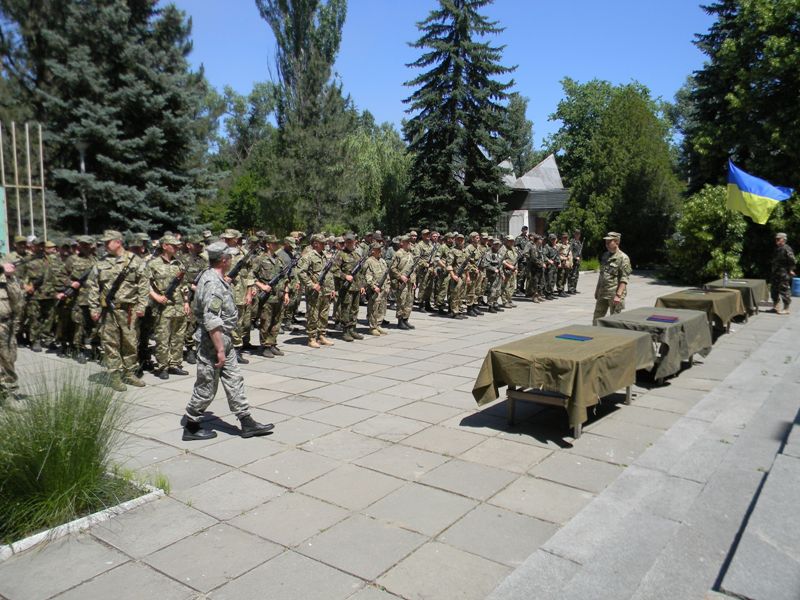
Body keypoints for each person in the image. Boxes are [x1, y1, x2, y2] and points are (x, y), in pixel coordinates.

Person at [182, 241, 274, 441]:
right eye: (230, 257)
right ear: (224, 260)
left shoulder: (217, 278)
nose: (232, 259)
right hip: (213, 342)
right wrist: (220, 350)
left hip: (224, 340)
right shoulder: (213, 283)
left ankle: (246, 421)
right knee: (207, 385)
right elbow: (211, 319)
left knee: (234, 380)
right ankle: (191, 424)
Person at [86, 230, 149, 391]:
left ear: (118, 242)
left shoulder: (135, 261)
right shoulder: (100, 264)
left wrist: (142, 306)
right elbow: (93, 287)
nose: (105, 245)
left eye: (108, 242)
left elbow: (143, 285)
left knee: (130, 343)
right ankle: (114, 375)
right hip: (108, 312)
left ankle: (129, 373)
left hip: (129, 310)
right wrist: (94, 308)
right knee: (110, 344)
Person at [147, 234, 190, 379]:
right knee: (163, 338)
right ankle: (162, 366)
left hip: (178, 306)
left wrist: (186, 302)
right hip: (163, 308)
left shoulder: (178, 264)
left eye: (178, 246)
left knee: (178, 337)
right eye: (174, 245)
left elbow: (183, 285)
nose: (177, 248)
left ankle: (175, 364)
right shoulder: (153, 264)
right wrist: (156, 297)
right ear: (165, 246)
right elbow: (145, 285)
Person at [297, 233, 336, 348]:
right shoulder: (308, 256)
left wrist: (332, 288)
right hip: (315, 291)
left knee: (324, 314)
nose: (325, 244)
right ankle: (311, 338)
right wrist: (311, 284)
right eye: (322, 243)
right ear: (315, 243)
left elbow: (329, 273)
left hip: (325, 290)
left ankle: (322, 335)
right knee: (313, 314)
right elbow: (300, 272)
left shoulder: (324, 256)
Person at [593, 231, 632, 324]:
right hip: (603, 292)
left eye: (609, 242)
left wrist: (618, 295)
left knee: (614, 321)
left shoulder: (623, 258)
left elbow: (624, 278)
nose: (606, 244)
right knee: (597, 318)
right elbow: (602, 274)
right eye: (606, 242)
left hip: (614, 294)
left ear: (617, 242)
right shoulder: (605, 255)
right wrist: (597, 290)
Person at [0, 259, 23, 402]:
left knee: (8, 358)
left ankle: (6, 394)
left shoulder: (5, 275)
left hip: (3, 324)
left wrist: (9, 277)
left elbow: (17, 301)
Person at [364, 241, 390, 335]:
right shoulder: (369, 261)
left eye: (380, 249)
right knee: (373, 308)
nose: (380, 250)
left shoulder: (382, 261)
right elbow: (367, 275)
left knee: (382, 308)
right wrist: (373, 286)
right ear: (372, 251)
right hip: (374, 289)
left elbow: (386, 274)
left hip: (383, 289)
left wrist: (388, 285)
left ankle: (378, 324)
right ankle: (372, 327)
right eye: (377, 249)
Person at [390, 235, 416, 329]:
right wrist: (400, 276)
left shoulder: (410, 254)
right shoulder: (398, 254)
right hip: (402, 282)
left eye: (409, 242)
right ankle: (400, 321)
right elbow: (392, 268)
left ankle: (406, 319)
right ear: (402, 243)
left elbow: (413, 269)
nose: (409, 243)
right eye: (407, 242)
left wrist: (414, 281)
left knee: (409, 301)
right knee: (402, 301)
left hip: (410, 281)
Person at [770, 232, 796, 315]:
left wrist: (791, 270)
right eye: (776, 239)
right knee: (774, 290)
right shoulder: (777, 248)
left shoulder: (786, 248)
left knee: (784, 289)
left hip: (783, 273)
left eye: (778, 239)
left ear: (784, 240)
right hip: (776, 273)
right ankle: (775, 306)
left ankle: (786, 308)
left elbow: (792, 260)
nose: (776, 240)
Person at [568, 229, 583, 294]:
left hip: (577, 261)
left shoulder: (579, 242)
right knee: (572, 275)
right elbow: (570, 251)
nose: (578, 235)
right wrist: (575, 257)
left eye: (579, 234)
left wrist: (580, 258)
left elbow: (580, 252)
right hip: (573, 261)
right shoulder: (572, 241)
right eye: (576, 234)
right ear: (574, 234)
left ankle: (574, 288)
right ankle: (570, 289)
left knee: (576, 275)